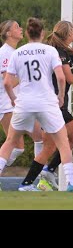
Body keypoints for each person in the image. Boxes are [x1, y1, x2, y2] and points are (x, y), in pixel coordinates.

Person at [14, 20, 73, 191]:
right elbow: (69, 78)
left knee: (71, 139)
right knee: (52, 145)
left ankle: (47, 172)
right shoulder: (58, 52)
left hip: (56, 103)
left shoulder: (66, 51)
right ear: (68, 34)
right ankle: (30, 181)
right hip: (53, 103)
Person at [0, 17, 73, 191]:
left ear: (28, 33)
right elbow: (60, 77)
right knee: (63, 142)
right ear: (42, 33)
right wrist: (60, 97)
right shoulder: (50, 51)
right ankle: (71, 184)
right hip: (46, 103)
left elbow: (6, 83)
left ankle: (27, 184)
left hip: (24, 104)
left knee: (11, 141)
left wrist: (13, 97)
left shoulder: (17, 53)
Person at [0, 20, 43, 167]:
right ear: (8, 33)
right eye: (16, 27)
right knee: (23, 143)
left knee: (26, 144)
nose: (20, 29)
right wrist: (26, 76)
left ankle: (37, 179)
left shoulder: (15, 52)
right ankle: (38, 179)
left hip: (19, 103)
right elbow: (9, 82)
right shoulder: (5, 53)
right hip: (7, 104)